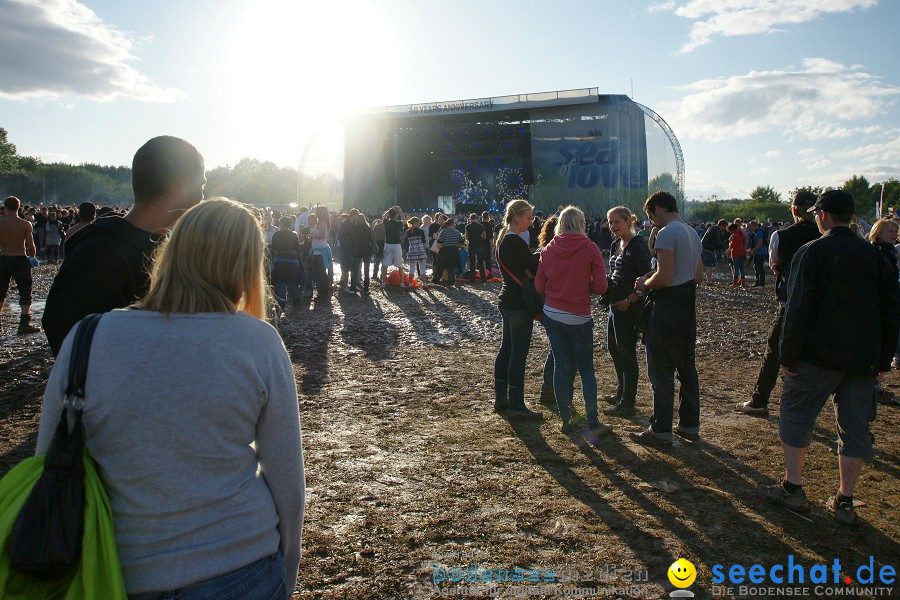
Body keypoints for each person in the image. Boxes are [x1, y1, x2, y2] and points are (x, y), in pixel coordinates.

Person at [35, 198, 304, 597]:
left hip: (112, 567)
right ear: (247, 266)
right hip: (239, 563)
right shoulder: (258, 342)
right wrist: (287, 567)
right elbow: (287, 481)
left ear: (171, 252)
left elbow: (47, 464)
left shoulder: (89, 337)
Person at [758, 190, 900, 526]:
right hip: (862, 359)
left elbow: (798, 308)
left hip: (817, 355)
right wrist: (882, 360)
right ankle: (845, 499)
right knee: (854, 428)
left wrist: (787, 356)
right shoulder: (875, 255)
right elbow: (891, 311)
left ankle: (793, 488)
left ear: (822, 215)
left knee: (796, 415)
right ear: (850, 218)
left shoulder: (813, 252)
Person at [43, 136, 205, 356]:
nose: (202, 197)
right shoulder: (100, 250)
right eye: (201, 185)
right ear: (182, 187)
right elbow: (66, 332)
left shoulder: (175, 247)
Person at [737, 191, 820, 417]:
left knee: (774, 351)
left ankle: (759, 399)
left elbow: (775, 265)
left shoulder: (781, 236)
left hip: (791, 301)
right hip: (823, 305)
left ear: (793, 210)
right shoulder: (826, 237)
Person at [630, 192, 703, 446]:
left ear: (659, 209)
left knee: (660, 368)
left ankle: (660, 429)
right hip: (687, 302)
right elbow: (698, 275)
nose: (651, 222)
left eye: (651, 216)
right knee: (686, 365)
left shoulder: (667, 233)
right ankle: (689, 424)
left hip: (667, 304)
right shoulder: (691, 232)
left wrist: (643, 284)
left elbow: (663, 277)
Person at [534, 206, 611, 435]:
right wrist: (581, 286)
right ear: (581, 223)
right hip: (578, 315)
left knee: (560, 364)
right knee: (586, 369)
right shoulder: (590, 248)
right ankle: (593, 420)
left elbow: (539, 286)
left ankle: (566, 417)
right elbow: (601, 287)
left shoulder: (548, 249)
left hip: (553, 314)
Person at [602, 206, 652, 417]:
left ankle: (628, 402)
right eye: (611, 222)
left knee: (627, 353)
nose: (613, 226)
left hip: (628, 306)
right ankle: (622, 391)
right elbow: (616, 272)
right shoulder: (617, 244)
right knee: (614, 348)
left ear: (628, 222)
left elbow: (648, 277)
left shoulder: (637, 245)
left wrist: (631, 299)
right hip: (615, 303)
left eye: (617, 222)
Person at [494, 199, 542, 418]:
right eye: (528, 217)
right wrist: (532, 267)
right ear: (516, 218)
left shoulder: (504, 240)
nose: (531, 222)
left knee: (507, 350)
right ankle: (516, 405)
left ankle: (501, 399)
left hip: (507, 300)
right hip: (518, 303)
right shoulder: (514, 242)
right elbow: (534, 268)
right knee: (518, 354)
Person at [0, 195, 41, 334]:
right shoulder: (25, 224)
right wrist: (32, 255)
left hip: (3, 258)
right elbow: (31, 248)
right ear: (19, 208)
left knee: (1, 292)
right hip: (20, 259)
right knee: (25, 291)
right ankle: (24, 323)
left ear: (5, 208)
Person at [271, 216, 304, 311]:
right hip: (292, 260)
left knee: (280, 282)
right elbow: (297, 248)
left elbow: (274, 248)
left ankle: (281, 302)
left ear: (283, 224)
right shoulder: (293, 235)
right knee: (293, 281)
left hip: (280, 260)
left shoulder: (276, 235)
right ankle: (297, 300)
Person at [435, 218, 464, 286]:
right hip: (454, 250)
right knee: (452, 266)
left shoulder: (443, 231)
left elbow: (439, 244)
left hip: (445, 251)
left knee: (444, 266)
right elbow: (463, 243)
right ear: (452, 224)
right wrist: (456, 245)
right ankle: (451, 281)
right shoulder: (457, 232)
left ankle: (445, 279)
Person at [381, 206, 405, 283]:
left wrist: (389, 210)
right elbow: (404, 220)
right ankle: (401, 283)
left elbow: (383, 216)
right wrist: (400, 210)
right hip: (397, 244)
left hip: (388, 243)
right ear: (395, 216)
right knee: (400, 264)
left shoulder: (386, 222)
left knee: (385, 264)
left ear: (389, 215)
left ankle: (383, 282)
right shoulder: (398, 223)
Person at [700, 219, 727, 285]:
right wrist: (726, 241)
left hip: (703, 247)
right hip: (709, 249)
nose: (725, 229)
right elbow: (718, 243)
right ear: (722, 225)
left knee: (701, 264)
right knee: (710, 265)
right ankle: (708, 281)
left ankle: (698, 279)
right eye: (725, 226)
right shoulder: (717, 230)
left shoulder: (712, 227)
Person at [405, 216, 428, 288]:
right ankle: (424, 284)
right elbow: (424, 242)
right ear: (416, 223)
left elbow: (406, 242)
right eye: (418, 222)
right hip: (420, 249)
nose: (419, 224)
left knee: (412, 268)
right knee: (422, 268)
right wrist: (424, 250)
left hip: (412, 250)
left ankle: (410, 284)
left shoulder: (408, 232)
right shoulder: (420, 231)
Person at [465, 213, 488, 283]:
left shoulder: (467, 226)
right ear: (477, 218)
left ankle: (472, 278)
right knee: (481, 262)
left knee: (472, 263)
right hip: (479, 245)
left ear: (470, 218)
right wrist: (479, 237)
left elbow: (466, 237)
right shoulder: (481, 226)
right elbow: (484, 236)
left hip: (472, 245)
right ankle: (483, 278)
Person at [726, 222, 747, 287]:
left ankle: (735, 283)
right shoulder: (741, 235)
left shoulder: (734, 236)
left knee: (736, 268)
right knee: (742, 268)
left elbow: (733, 245)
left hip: (736, 253)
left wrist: (730, 241)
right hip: (742, 253)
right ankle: (742, 283)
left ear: (732, 230)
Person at [747, 220, 767, 287]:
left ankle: (761, 283)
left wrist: (753, 250)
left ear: (754, 225)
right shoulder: (755, 233)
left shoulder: (759, 233)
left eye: (750, 226)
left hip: (761, 252)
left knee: (760, 267)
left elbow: (759, 244)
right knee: (756, 267)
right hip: (758, 252)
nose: (749, 228)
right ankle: (757, 281)